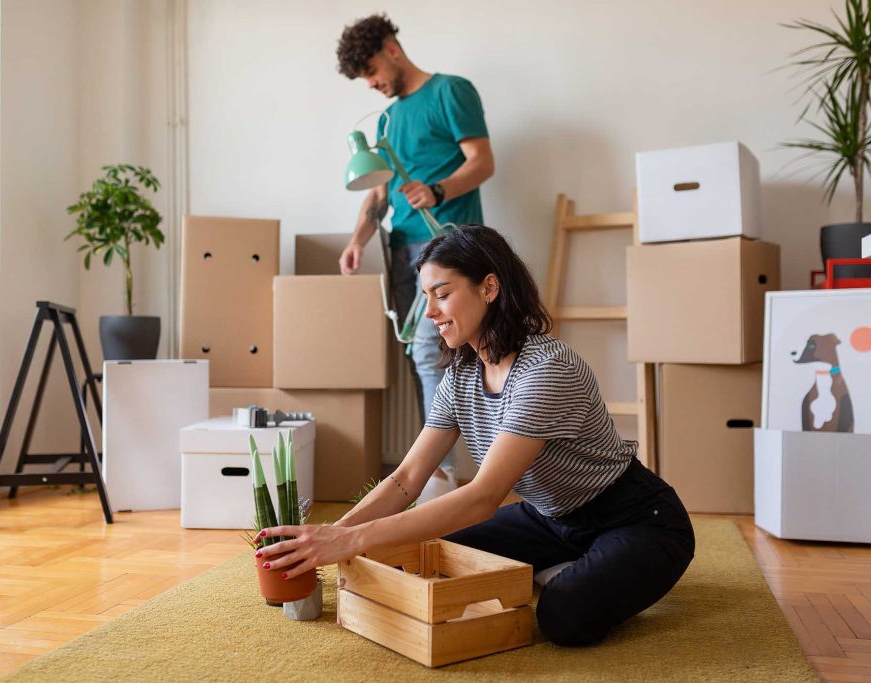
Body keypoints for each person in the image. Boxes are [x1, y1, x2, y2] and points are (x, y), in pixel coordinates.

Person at [259, 224, 696, 646]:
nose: (429, 312)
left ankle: (577, 572)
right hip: (548, 517)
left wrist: (351, 540)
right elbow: (406, 478)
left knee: (562, 617)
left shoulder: (545, 371)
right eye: (426, 297)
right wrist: (329, 537)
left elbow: (483, 497)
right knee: (429, 558)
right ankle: (562, 564)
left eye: (443, 295)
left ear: (489, 287)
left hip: (637, 519)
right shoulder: (461, 376)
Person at [335, 14, 495, 501]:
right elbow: (378, 193)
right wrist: (358, 238)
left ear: (391, 50)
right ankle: (444, 473)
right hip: (403, 249)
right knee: (424, 356)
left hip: (448, 244)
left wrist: (439, 189)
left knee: (438, 353)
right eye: (363, 79)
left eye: (370, 71)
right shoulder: (386, 120)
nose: (372, 84)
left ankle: (443, 477)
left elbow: (483, 162)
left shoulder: (451, 91)